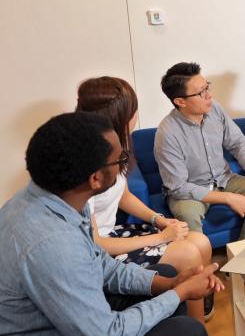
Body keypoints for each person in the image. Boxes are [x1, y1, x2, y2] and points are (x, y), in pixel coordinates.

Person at [0, 112, 224, 336]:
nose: (124, 166)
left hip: (71, 312)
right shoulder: (53, 244)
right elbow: (106, 332)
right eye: (121, 159)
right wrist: (179, 293)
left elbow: (100, 265)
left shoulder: (64, 201)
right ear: (95, 178)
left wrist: (169, 285)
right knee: (188, 329)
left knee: (164, 274)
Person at [76, 76, 214, 322]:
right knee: (189, 254)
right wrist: (161, 237)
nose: (136, 116)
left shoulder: (114, 146)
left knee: (201, 242)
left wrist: (159, 220)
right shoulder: (84, 167)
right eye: (133, 111)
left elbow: (123, 196)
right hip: (104, 251)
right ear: (118, 117)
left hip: (117, 235)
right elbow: (96, 243)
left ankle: (197, 309)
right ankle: (194, 325)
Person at [154, 62, 245, 239]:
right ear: (180, 101)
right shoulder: (167, 133)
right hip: (190, 189)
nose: (209, 95)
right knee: (188, 217)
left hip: (224, 179)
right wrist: (227, 198)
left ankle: (244, 256)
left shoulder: (214, 109)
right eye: (201, 92)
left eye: (207, 87)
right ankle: (199, 264)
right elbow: (178, 187)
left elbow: (238, 142)